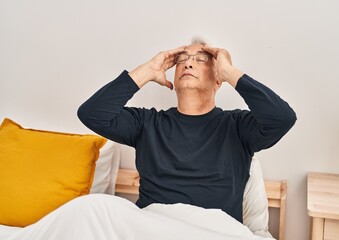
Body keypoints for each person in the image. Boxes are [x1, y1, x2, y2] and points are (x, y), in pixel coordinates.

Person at [77, 38, 296, 224]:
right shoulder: (147, 123)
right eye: (182, 60)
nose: (188, 64)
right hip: (150, 228)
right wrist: (147, 71)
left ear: (218, 81)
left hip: (212, 231)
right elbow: (92, 114)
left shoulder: (237, 127)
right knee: (85, 210)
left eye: (200, 59)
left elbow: (282, 118)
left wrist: (230, 72)